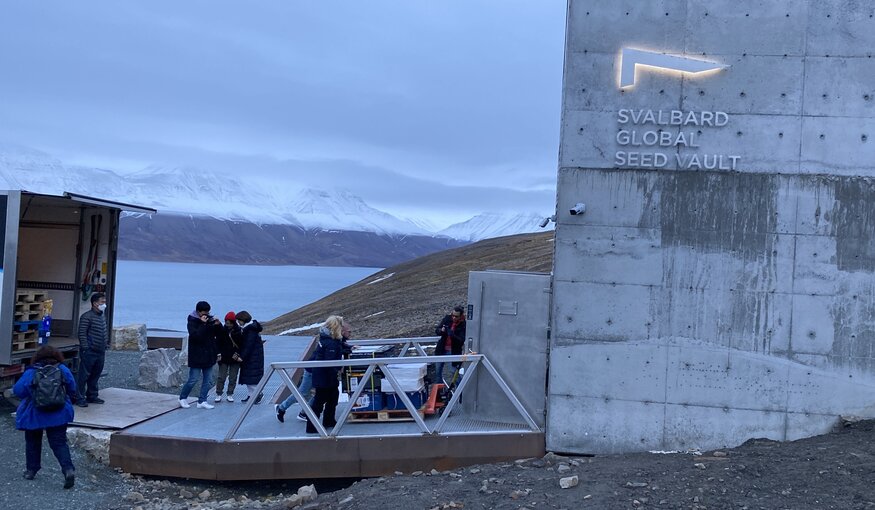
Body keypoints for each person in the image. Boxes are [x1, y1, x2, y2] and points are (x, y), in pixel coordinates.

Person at [13, 345, 78, 488]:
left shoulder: (32, 372)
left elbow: (18, 391)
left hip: (34, 413)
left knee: (33, 441)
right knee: (59, 443)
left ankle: (31, 470)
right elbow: (72, 388)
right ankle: (68, 469)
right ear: (57, 356)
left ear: (37, 357)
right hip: (59, 413)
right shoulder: (62, 369)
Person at [276, 320, 353, 423]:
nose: (350, 334)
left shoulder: (335, 338)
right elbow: (331, 352)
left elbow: (338, 347)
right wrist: (338, 368)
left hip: (318, 369)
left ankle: (304, 413)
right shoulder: (332, 340)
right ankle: (281, 408)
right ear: (342, 330)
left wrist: (349, 348)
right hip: (313, 369)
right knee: (303, 393)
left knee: (319, 394)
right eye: (349, 331)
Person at [305, 316, 346, 434]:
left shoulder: (328, 339)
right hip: (325, 376)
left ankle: (328, 420)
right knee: (320, 400)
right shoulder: (331, 343)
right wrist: (338, 368)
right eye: (341, 325)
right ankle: (312, 426)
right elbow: (330, 361)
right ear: (337, 327)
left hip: (323, 374)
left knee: (332, 397)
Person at [179, 301, 222, 409]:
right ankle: (182, 398)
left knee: (207, 380)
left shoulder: (209, 319)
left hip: (209, 355)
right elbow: (195, 337)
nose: (206, 314)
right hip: (197, 355)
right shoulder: (192, 321)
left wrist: (218, 325)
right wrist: (203, 324)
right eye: (204, 312)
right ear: (198, 311)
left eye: (208, 312)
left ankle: (202, 400)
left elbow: (219, 335)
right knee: (193, 379)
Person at [75, 292, 110, 407]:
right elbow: (82, 333)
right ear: (95, 303)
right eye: (102, 302)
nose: (104, 304)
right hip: (90, 351)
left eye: (104, 302)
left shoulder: (102, 316)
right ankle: (79, 398)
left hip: (100, 351)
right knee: (83, 375)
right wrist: (85, 347)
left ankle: (92, 395)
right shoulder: (86, 317)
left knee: (96, 374)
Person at [236, 310, 265, 404]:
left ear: (242, 320)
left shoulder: (250, 330)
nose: (238, 322)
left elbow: (248, 345)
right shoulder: (252, 328)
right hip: (254, 357)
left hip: (252, 358)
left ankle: (257, 395)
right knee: (250, 378)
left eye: (239, 320)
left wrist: (242, 357)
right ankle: (251, 395)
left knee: (251, 378)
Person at [433, 305, 466, 386]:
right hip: (441, 349)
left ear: (461, 316)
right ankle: (439, 393)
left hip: (453, 351)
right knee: (437, 372)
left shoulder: (463, 324)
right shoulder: (447, 318)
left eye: (456, 316)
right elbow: (437, 330)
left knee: (454, 372)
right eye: (453, 315)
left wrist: (452, 335)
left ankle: (460, 392)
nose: (454, 318)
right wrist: (442, 330)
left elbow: (461, 340)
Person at [214, 311, 243, 403]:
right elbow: (217, 343)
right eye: (226, 323)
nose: (228, 325)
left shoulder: (239, 332)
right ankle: (219, 393)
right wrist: (218, 354)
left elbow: (242, 345)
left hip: (234, 357)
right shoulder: (222, 331)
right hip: (223, 357)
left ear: (233, 322)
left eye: (229, 323)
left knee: (233, 377)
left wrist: (238, 354)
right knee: (221, 377)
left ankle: (230, 394)